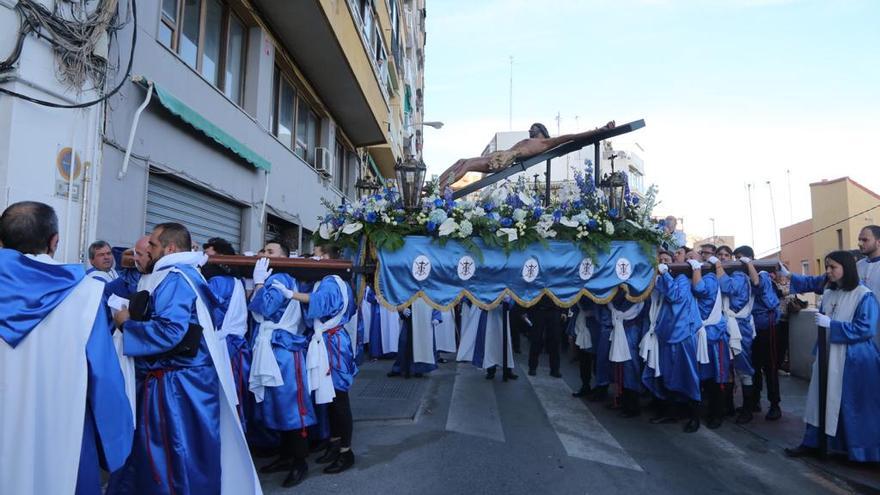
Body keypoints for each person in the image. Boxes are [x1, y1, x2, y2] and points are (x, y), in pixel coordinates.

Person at [110, 222, 260, 495]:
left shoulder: (175, 278)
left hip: (176, 384)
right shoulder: (187, 274)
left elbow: (171, 332)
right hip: (188, 379)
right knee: (191, 452)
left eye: (153, 245)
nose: (149, 250)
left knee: (176, 453)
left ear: (169, 248)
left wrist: (126, 324)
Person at [0, 201, 133, 495]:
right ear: (54, 241)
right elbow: (105, 378)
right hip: (62, 429)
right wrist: (117, 441)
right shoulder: (83, 295)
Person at [782, 252, 880, 462]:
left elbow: (866, 328)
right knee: (819, 399)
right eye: (827, 267)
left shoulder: (864, 295)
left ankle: (859, 450)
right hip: (828, 354)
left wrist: (833, 326)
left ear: (846, 268)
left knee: (851, 404)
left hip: (854, 359)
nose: (828, 271)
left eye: (832, 267)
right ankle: (813, 442)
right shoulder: (829, 292)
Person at [272, 244, 358, 474]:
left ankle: (346, 452)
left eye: (317, 255)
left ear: (328, 257)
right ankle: (334, 442)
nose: (313, 259)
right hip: (326, 341)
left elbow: (322, 302)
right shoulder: (325, 279)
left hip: (333, 344)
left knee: (339, 398)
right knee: (328, 398)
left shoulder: (332, 280)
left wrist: (291, 294)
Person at [248, 244, 314, 488]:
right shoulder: (274, 277)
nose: (264, 254)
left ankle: (300, 461)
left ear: (285, 258)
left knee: (290, 405)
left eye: (271, 252)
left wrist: (258, 284)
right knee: (275, 404)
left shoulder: (280, 278)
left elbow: (265, 307)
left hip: (284, 349)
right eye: (263, 250)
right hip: (270, 345)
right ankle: (286, 456)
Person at [438, 121, 615, 188]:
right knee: (462, 160)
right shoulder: (529, 140)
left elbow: (574, 137)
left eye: (534, 128)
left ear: (541, 131)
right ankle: (436, 186)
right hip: (502, 155)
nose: (530, 130)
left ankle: (440, 190)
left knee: (468, 165)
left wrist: (599, 130)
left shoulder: (546, 142)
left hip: (504, 160)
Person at [642, 250, 703, 433]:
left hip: (683, 334)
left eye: (666, 260)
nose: (663, 263)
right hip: (665, 335)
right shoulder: (660, 280)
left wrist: (666, 274)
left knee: (689, 375)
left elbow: (674, 296)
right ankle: (671, 412)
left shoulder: (683, 278)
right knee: (667, 375)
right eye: (660, 260)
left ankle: (694, 416)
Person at [735, 246, 783, 421]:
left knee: (769, 367)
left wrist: (749, 265)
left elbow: (757, 283)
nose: (738, 262)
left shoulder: (761, 274)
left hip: (767, 326)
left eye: (741, 259)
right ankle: (754, 401)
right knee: (752, 366)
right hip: (751, 327)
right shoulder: (740, 278)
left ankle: (775, 405)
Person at [695, 254, 733, 429]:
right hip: (702, 335)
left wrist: (695, 268)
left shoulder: (709, 278)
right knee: (704, 377)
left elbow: (699, 289)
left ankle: (717, 413)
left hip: (714, 335)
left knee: (717, 377)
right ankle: (707, 411)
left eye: (691, 258)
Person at [605, 292, 649, 418]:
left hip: (631, 332)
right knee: (620, 367)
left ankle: (632, 406)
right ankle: (622, 400)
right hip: (623, 329)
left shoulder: (639, 296)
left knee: (630, 368)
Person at [456, 299, 518, 380]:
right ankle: (491, 370)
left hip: (501, 314)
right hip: (488, 315)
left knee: (505, 344)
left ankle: (508, 370)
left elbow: (512, 298)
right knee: (489, 342)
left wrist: (507, 301)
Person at [389, 299, 441, 378]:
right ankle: (399, 368)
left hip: (425, 319)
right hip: (410, 318)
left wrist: (436, 316)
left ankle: (419, 369)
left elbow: (434, 299)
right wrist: (402, 309)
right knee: (404, 343)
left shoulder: (429, 288)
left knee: (422, 345)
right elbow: (401, 297)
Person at [528, 295, 564, 378]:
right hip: (539, 309)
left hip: (554, 310)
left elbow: (562, 291)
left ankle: (555, 369)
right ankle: (532, 367)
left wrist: (564, 311)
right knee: (536, 339)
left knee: (555, 340)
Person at [856, 225, 880, 346]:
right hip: (861, 326)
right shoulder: (858, 266)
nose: (860, 243)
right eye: (859, 239)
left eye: (865, 240)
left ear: (878, 242)